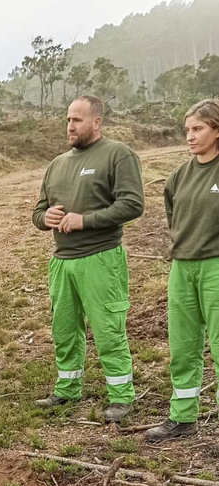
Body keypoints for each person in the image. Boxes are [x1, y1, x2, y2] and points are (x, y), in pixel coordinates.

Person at [32, 96, 144, 423]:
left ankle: (122, 397)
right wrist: (45, 217)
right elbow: (38, 211)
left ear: (96, 122)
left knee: (108, 329)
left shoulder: (117, 154)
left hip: (101, 257)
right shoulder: (57, 164)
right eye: (68, 119)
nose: (70, 126)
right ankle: (67, 389)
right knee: (65, 328)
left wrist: (86, 220)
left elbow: (132, 205)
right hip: (62, 261)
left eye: (77, 120)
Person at [145, 99, 219, 442]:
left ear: (216, 130)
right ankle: (182, 417)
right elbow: (174, 216)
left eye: (198, 129)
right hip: (182, 266)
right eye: (187, 130)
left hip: (215, 266)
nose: (189, 136)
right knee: (183, 345)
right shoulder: (179, 176)